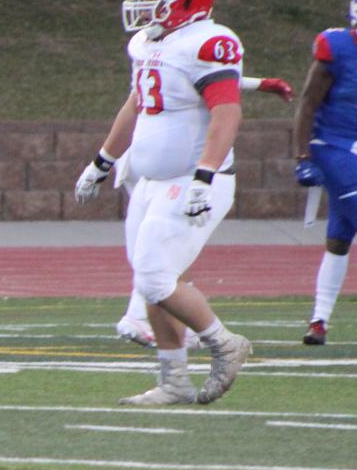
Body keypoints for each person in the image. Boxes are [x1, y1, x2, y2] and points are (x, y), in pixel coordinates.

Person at [73, 0, 253, 406]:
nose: (143, 6)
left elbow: (226, 114)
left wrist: (204, 177)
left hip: (191, 180)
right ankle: (174, 381)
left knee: (155, 277)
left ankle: (224, 343)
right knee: (153, 278)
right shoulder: (149, 44)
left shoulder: (209, 42)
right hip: (151, 181)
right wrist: (102, 161)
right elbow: (136, 105)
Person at [111, 73, 293, 347]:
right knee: (166, 243)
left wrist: (260, 84)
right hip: (166, 160)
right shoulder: (173, 50)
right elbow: (204, 77)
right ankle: (140, 316)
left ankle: (169, 323)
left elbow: (200, 75)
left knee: (166, 245)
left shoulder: (160, 50)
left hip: (148, 153)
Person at [291, 0, 357, 346]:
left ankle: (319, 321)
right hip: (332, 145)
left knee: (339, 235)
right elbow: (308, 102)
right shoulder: (336, 49)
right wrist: (302, 157)